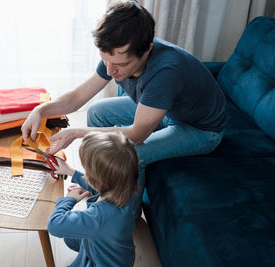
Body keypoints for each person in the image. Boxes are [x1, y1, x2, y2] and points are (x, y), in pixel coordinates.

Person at [22, 1, 227, 191]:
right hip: (167, 110)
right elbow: (77, 97)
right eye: (105, 60)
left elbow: (137, 136)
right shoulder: (116, 55)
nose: (110, 71)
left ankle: (126, 212)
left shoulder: (165, 73)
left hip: (200, 129)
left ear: (147, 50)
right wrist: (40, 110)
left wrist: (76, 133)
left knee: (130, 154)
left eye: (120, 65)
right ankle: (97, 185)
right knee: (96, 111)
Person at [48, 131, 139, 267]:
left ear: (95, 180)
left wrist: (69, 200)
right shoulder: (125, 188)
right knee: (70, 237)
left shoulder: (97, 218)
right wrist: (71, 172)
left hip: (102, 262)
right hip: (115, 253)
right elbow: (104, 186)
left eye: (86, 172)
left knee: (70, 232)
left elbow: (54, 225)